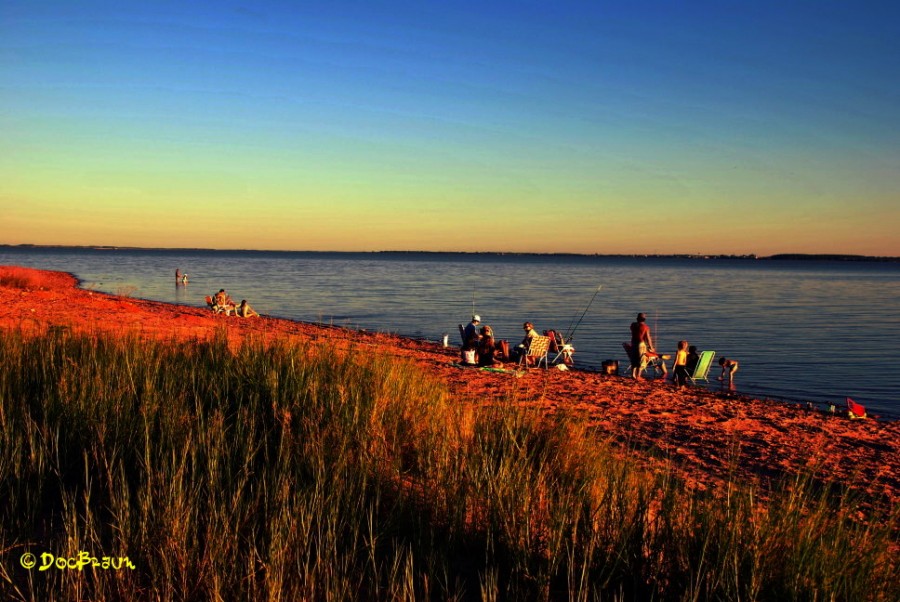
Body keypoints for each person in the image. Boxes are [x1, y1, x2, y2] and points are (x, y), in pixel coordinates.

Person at [629, 313, 655, 379]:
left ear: (637, 318)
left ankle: (633, 375)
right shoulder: (645, 327)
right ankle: (638, 376)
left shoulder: (632, 325)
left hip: (633, 343)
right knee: (642, 360)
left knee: (634, 359)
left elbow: (633, 330)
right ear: (644, 319)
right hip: (640, 344)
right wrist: (651, 347)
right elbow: (648, 338)